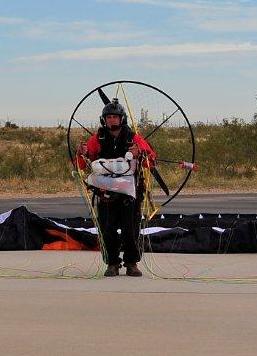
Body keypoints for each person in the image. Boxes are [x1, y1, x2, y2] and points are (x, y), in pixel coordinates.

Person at [76, 98, 156, 277]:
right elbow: (81, 165)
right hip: (105, 193)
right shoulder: (97, 139)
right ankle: (112, 263)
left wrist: (141, 153)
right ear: (103, 119)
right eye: (109, 117)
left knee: (131, 228)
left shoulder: (133, 138)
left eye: (115, 116)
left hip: (130, 193)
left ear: (122, 119)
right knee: (107, 228)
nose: (112, 120)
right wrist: (82, 153)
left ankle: (131, 263)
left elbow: (151, 161)